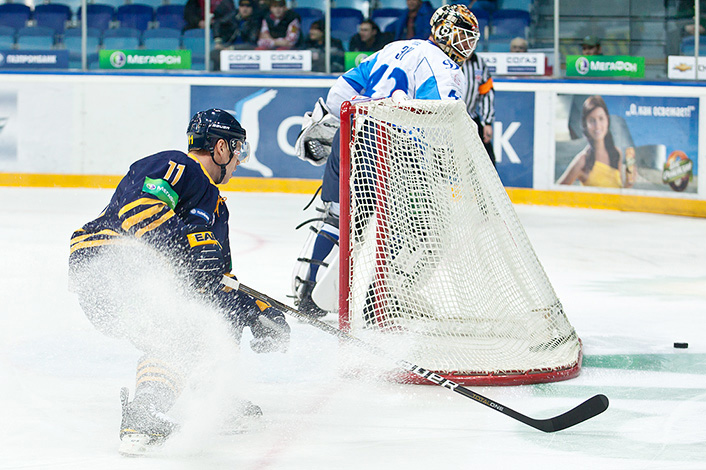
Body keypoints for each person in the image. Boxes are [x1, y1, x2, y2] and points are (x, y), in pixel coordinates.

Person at [68, 109, 290, 455]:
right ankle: (143, 415)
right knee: (183, 336)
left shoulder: (217, 210)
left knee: (211, 321)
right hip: (110, 261)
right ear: (220, 148)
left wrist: (256, 309)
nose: (239, 161)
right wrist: (186, 248)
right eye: (238, 150)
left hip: (133, 282)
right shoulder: (179, 166)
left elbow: (217, 283)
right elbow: (138, 207)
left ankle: (211, 401)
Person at [291, 3, 480, 317]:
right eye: (463, 36)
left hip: (350, 136)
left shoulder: (392, 48)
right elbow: (442, 117)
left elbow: (337, 97)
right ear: (445, 32)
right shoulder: (443, 64)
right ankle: (382, 300)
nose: (466, 45)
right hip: (395, 147)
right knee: (425, 229)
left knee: (337, 218)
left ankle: (307, 291)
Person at [557, 95, 633, 188]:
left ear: (607, 120)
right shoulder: (582, 160)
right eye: (592, 120)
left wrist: (628, 184)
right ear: (585, 124)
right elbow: (556, 190)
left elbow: (617, 191)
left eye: (601, 119)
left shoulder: (616, 153)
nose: (597, 126)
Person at [461, 49, 496, 166]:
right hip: (448, 120)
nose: (468, 46)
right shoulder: (447, 60)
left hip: (471, 118)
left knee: (487, 159)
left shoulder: (479, 63)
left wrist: (487, 122)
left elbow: (486, 92)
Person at [210, 0, 263, 70]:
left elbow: (251, 42)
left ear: (252, 9)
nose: (245, 9)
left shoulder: (256, 21)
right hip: (229, 45)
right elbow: (217, 23)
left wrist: (231, 48)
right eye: (242, 6)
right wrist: (218, 41)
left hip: (245, 49)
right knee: (214, 53)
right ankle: (218, 74)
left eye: (248, 6)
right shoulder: (233, 16)